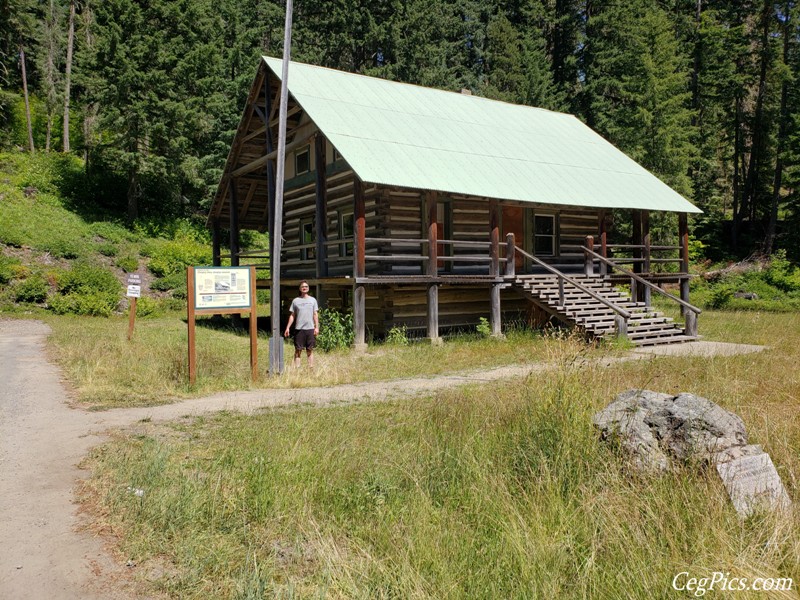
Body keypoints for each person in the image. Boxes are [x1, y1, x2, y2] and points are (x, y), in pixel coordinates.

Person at [284, 280, 319, 368]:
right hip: (299, 329)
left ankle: (310, 368)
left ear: (308, 288)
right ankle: (297, 369)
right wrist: (288, 327)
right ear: (300, 289)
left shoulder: (313, 300)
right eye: (303, 287)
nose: (304, 288)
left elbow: (315, 314)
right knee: (298, 350)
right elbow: (292, 315)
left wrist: (316, 327)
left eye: (306, 286)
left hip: (310, 328)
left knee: (310, 350)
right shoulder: (296, 301)